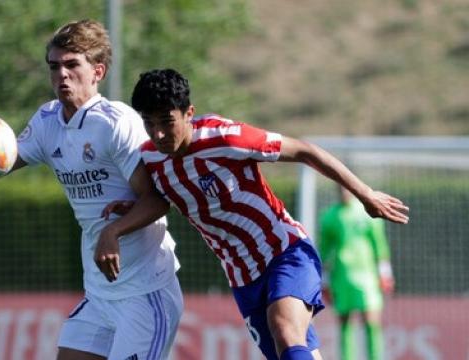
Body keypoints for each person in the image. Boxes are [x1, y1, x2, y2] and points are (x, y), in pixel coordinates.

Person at [96, 68, 409, 360]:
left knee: (284, 327)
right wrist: (122, 221)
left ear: (188, 113)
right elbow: (161, 200)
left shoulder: (226, 138)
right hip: (242, 276)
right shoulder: (151, 157)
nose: (159, 133)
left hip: (285, 251)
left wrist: (365, 194)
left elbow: (304, 150)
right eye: (149, 123)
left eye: (167, 121)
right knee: (292, 349)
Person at [0, 20, 183, 360]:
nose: (62, 75)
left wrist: (113, 231)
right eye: (55, 67)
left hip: (145, 293)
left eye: (72, 65)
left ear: (97, 72)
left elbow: (157, 199)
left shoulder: (115, 123)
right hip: (100, 294)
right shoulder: (46, 122)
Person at [318, 186, 395, 360]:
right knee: (345, 321)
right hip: (342, 275)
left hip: (367, 274)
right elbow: (324, 251)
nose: (345, 192)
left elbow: (379, 244)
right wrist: (324, 281)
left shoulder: (368, 213)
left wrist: (385, 273)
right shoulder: (330, 216)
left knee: (371, 320)